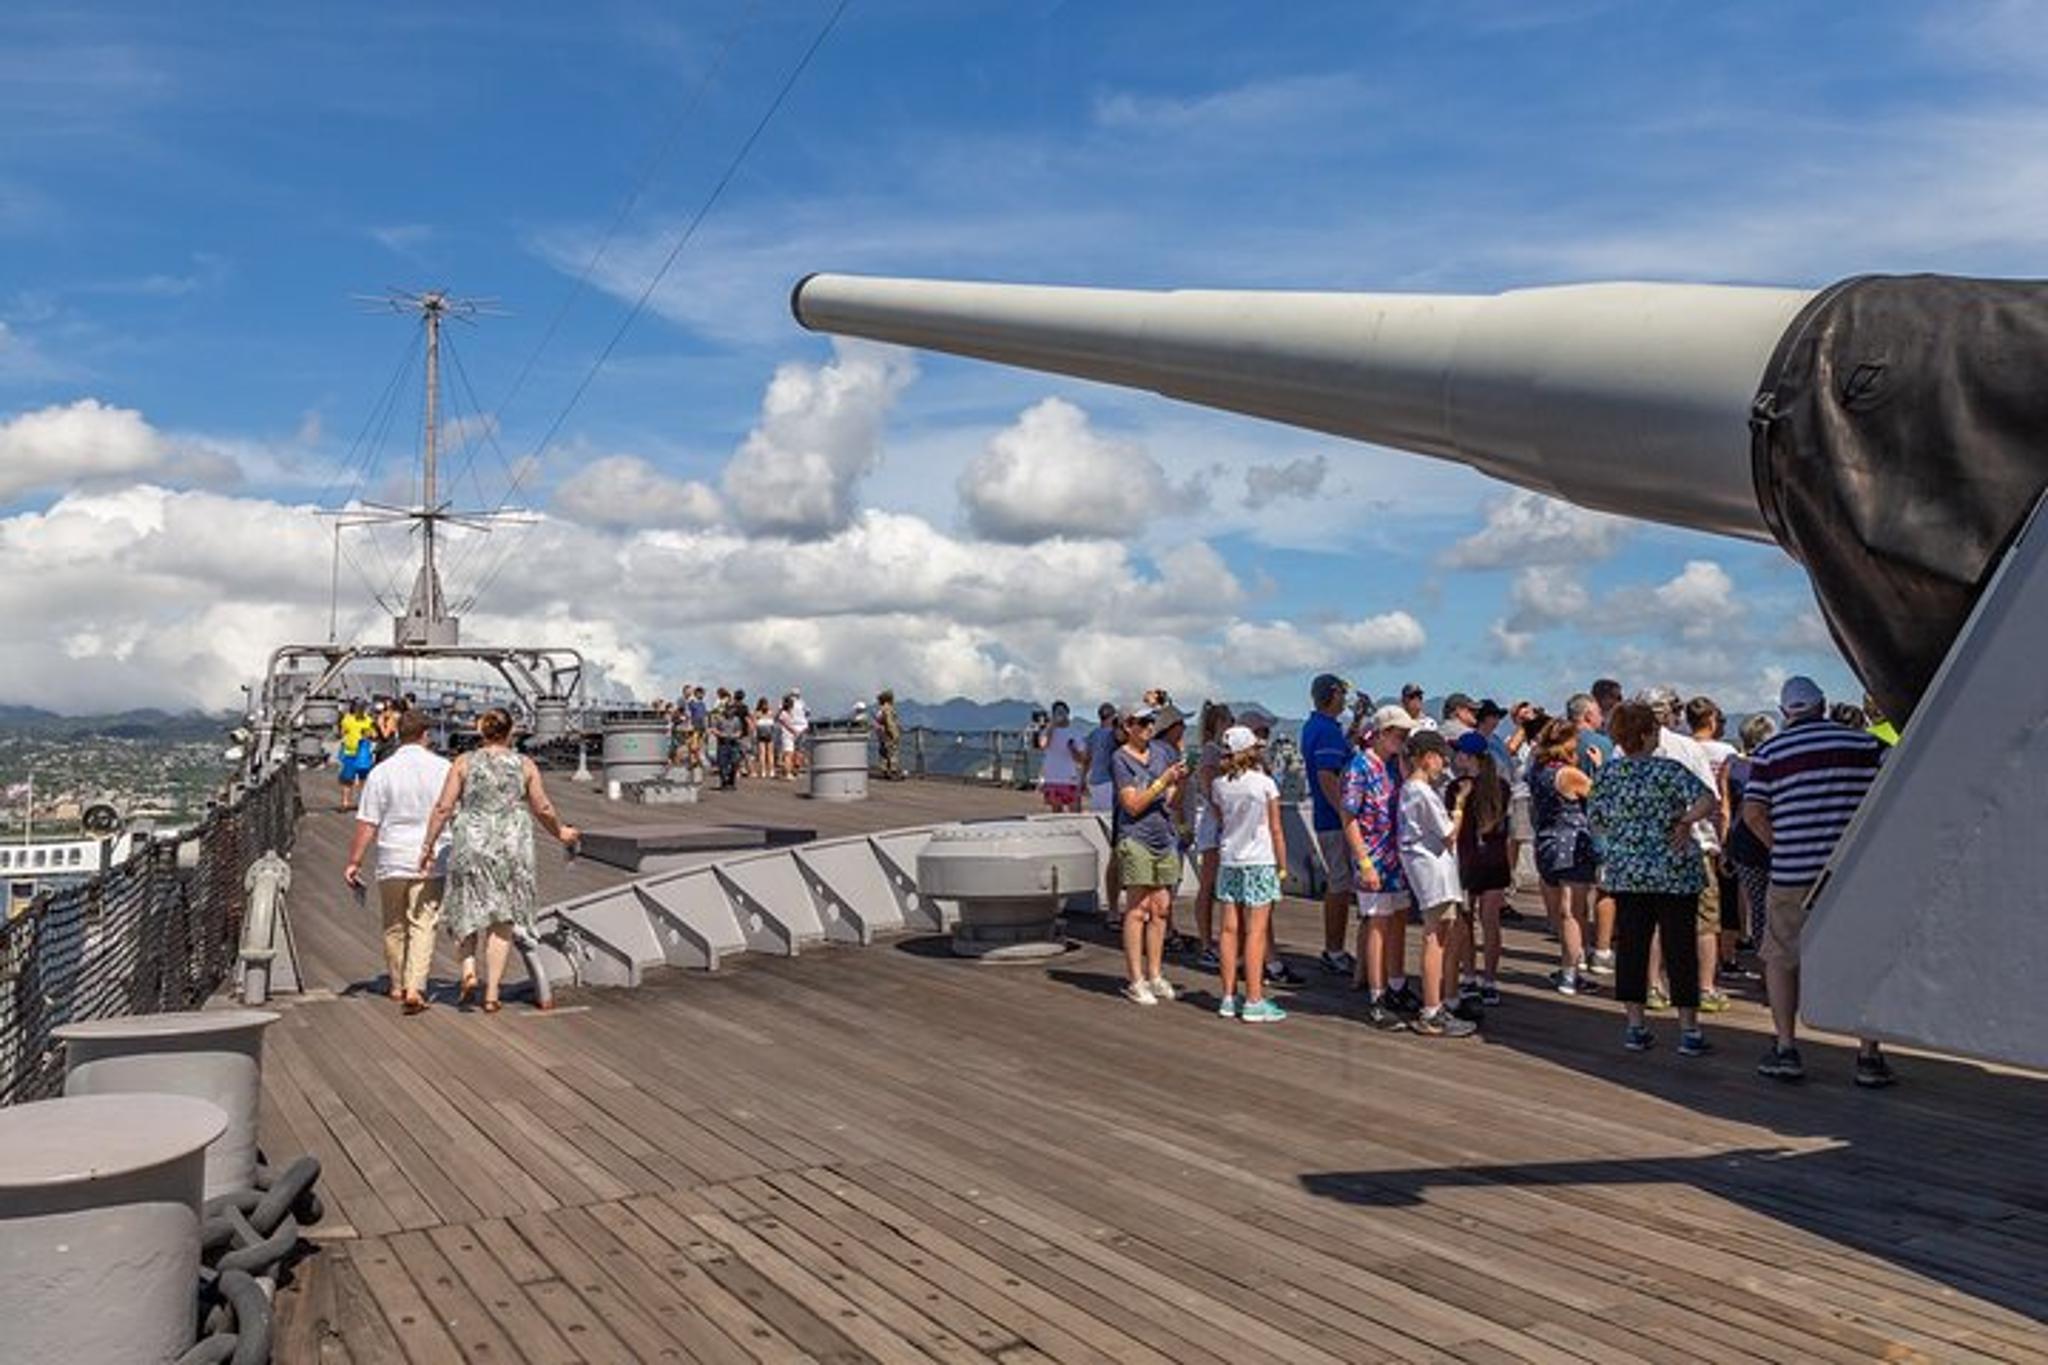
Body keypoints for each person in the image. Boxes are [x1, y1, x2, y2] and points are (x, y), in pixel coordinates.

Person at [1742, 676, 1893, 1087]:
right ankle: (1868, 1055)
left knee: (1780, 957)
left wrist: (1782, 846)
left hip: (1793, 871)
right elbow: (1898, 781)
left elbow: (1753, 813)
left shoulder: (1771, 751)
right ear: (1823, 705)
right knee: (1863, 957)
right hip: (1851, 871)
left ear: (1785, 712)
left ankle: (1787, 1047)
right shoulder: (1863, 744)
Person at [419, 708, 580, 1013]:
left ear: (481, 731)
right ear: (511, 732)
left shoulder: (464, 763)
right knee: (502, 920)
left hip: (472, 842)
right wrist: (560, 832)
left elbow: (443, 807)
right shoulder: (524, 764)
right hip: (510, 846)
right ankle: (491, 993)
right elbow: (542, 807)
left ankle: (468, 970)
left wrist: (428, 845)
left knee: (467, 908)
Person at [1589, 701, 1721, 1056]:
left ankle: (1635, 1025)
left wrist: (1626, 832)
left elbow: (1597, 819)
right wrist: (1684, 821)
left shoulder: (1607, 775)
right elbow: (1709, 800)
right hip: (1674, 871)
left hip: (1628, 872)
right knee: (1680, 948)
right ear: (1648, 734)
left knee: (1632, 946)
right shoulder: (1669, 771)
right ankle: (1689, 1029)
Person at [343, 709, 450, 1014]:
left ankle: (396, 984)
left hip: (392, 856)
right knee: (424, 923)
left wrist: (354, 861)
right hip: (431, 856)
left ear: (397, 734)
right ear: (426, 735)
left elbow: (368, 822)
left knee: (393, 924)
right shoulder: (444, 768)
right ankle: (415, 987)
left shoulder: (382, 772)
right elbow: (451, 810)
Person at [1638, 685, 1729, 1016]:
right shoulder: (1688, 748)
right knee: (1704, 920)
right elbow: (1709, 799)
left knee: (1652, 919)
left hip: (1644, 850)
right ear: (1672, 713)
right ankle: (1704, 988)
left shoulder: (1625, 750)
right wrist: (1687, 823)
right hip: (1693, 844)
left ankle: (1651, 986)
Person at [1397, 729, 1478, 1038]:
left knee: (1439, 935)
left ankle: (1435, 1005)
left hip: (1427, 871)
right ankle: (1432, 1009)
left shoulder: (1409, 790)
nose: (1445, 763)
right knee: (1437, 938)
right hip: (1434, 873)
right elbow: (1449, 833)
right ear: (1427, 758)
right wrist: (1459, 804)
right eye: (1441, 757)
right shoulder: (1422, 791)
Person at [1343, 705, 1417, 1029]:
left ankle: (1397, 983)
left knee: (1398, 919)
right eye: (1399, 735)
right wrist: (1363, 861)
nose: (1403, 741)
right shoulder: (1359, 767)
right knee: (1377, 924)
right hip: (1373, 855)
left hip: (1396, 857)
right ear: (1383, 734)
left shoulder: (1392, 766)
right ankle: (1377, 994)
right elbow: (1349, 816)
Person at [1210, 724, 1286, 1023]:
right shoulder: (1264, 784)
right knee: (1256, 932)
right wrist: (1282, 865)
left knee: (1229, 930)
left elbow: (1221, 820)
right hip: (1259, 860)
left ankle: (1228, 997)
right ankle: (1254, 999)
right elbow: (1276, 828)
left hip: (1229, 860)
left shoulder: (1219, 785)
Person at [1113, 704, 1185, 1005]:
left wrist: (1178, 783)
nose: (1148, 726)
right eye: (1141, 722)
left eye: (1150, 721)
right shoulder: (1120, 759)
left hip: (1163, 836)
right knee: (1138, 908)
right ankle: (1135, 978)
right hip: (1137, 837)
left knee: (1161, 909)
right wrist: (1162, 782)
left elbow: (1170, 800)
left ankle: (1155, 974)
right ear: (1127, 726)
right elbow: (1132, 805)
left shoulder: (1161, 752)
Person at [1529, 717, 1598, 995]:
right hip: (1571, 844)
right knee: (1574, 911)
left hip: (1546, 840)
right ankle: (1571, 972)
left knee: (1560, 910)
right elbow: (1602, 797)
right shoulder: (1569, 774)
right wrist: (1600, 767)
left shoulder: (1538, 770)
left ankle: (1568, 965)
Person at [1302, 674, 1360, 976]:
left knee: (1340, 881)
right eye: (1342, 693)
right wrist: (1347, 814)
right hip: (1334, 820)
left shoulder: (1318, 727)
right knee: (1340, 882)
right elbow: (1328, 776)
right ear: (1333, 695)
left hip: (1328, 818)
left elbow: (1339, 752)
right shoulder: (1326, 731)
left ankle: (1334, 947)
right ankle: (1334, 949)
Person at [1449, 730, 1511, 1006]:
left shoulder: (1456, 789)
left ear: (1468, 757)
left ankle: (1469, 978)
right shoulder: (1501, 787)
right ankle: (1491, 981)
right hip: (1496, 860)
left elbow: (1453, 827)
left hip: (1467, 860)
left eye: (1459, 752)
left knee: (1465, 922)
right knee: (1491, 924)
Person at [1724, 711, 1776, 952]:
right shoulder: (1775, 764)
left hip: (1742, 842)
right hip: (1775, 840)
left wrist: (1725, 846)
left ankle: (1760, 953)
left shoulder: (1732, 766)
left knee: (1756, 904)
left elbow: (1724, 807)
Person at [1190, 702, 1233, 969]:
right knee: (1208, 885)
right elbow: (1207, 788)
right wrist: (1222, 818)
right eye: (1228, 720)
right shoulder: (1210, 751)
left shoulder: (1221, 751)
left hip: (1223, 822)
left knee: (1218, 886)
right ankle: (1206, 942)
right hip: (1215, 823)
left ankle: (1216, 941)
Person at [1036, 701, 1085, 813]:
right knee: (1057, 814)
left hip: (1070, 778)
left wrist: (1073, 750)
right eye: (1057, 712)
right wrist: (1051, 725)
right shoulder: (1048, 731)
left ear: (1068, 714)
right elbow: (1043, 744)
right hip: (1053, 778)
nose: (1060, 715)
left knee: (1075, 811)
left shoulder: (1075, 732)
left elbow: (1082, 759)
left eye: (1062, 712)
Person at [336, 699, 377, 811]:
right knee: (348, 780)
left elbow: (374, 734)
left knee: (362, 780)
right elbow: (343, 732)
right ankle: (346, 803)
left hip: (362, 754)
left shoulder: (367, 720)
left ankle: (360, 804)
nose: (361, 709)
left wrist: (369, 734)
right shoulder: (349, 719)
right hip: (351, 753)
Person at [1082, 703, 1120, 812]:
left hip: (1094, 783)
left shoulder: (1093, 734)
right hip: (1110, 782)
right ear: (1113, 716)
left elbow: (1086, 760)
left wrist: (1082, 781)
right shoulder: (1115, 734)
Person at [711, 695, 745, 790]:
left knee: (734, 763)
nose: (731, 710)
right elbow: (713, 729)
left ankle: (731, 781)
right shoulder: (719, 718)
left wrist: (737, 735)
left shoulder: (736, 719)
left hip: (733, 743)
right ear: (725, 709)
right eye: (729, 708)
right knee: (722, 764)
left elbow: (740, 731)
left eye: (732, 708)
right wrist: (720, 734)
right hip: (723, 743)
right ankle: (724, 782)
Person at [875, 690, 903, 780]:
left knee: (884, 753)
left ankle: (885, 772)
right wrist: (894, 733)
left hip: (883, 735)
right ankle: (893, 772)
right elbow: (890, 722)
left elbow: (879, 722)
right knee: (892, 752)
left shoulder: (881, 710)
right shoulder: (888, 709)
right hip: (889, 734)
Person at [753, 697, 776, 778]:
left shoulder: (757, 713)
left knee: (762, 754)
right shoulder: (770, 713)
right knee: (770, 754)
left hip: (761, 734)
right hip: (769, 733)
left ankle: (763, 771)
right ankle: (771, 771)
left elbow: (754, 724)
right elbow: (773, 724)